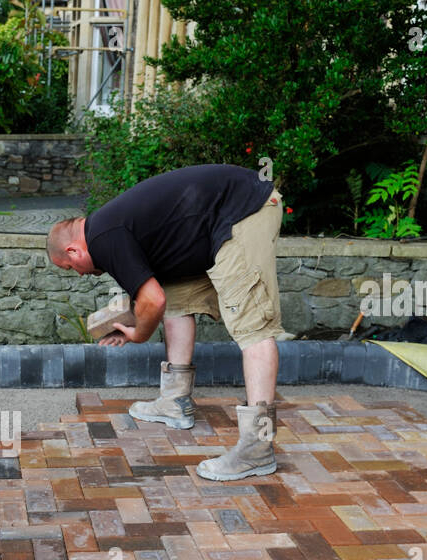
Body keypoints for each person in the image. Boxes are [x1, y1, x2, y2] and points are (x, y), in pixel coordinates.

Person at [47, 165, 284, 482]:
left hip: (245, 210)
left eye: (69, 266)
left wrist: (139, 333)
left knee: (252, 324)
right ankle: (174, 402)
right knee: (177, 296)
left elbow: (151, 301)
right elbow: (155, 295)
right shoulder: (106, 229)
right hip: (215, 223)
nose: (76, 273)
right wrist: (130, 319)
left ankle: (258, 448)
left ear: (73, 250)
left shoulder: (103, 237)